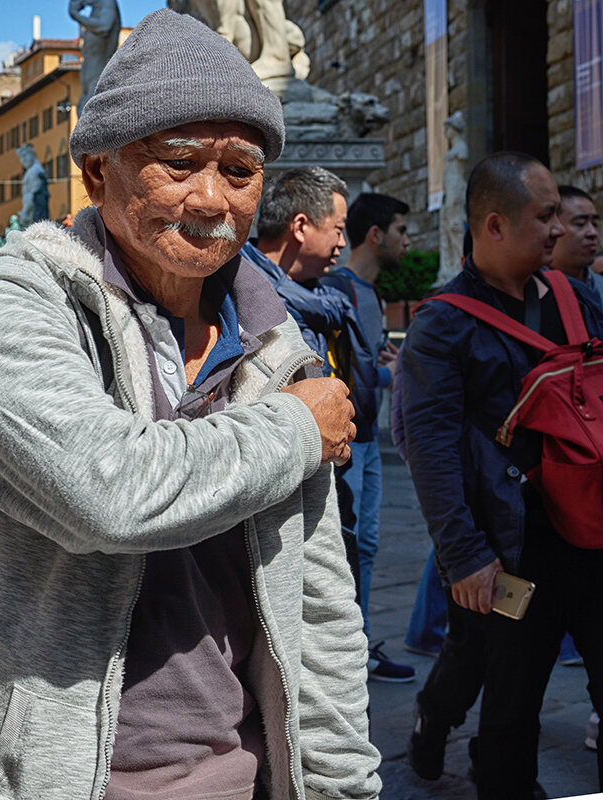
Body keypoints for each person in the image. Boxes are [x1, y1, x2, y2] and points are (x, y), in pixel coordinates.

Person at [0, 10, 378, 798]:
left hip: (240, 775)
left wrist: (342, 783)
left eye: (240, 171)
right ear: (97, 173)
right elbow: (109, 490)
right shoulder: (13, 303)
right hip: (52, 776)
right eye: (178, 163)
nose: (212, 198)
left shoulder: (281, 351)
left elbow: (321, 602)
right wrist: (296, 427)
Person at [402, 151, 603, 797]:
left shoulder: (578, 297)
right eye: (545, 216)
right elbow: (427, 446)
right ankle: (443, 732)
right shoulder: (443, 324)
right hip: (513, 551)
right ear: (494, 225)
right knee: (510, 704)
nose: (559, 228)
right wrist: (463, 557)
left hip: (594, 530)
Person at [242, 168, 413, 683]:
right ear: (300, 226)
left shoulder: (316, 295)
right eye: (336, 228)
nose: (343, 240)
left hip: (332, 460)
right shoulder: (251, 294)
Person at [318, 192, 415, 682]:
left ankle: (361, 638)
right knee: (350, 543)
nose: (407, 240)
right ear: (375, 235)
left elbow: (370, 365)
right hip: (347, 441)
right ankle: (347, 648)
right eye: (401, 230)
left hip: (369, 440)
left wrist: (391, 373)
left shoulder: (371, 295)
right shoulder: (337, 290)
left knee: (368, 543)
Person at [549, 185, 603, 308]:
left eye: (594, 224)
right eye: (580, 224)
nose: (593, 233)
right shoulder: (533, 291)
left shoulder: (599, 286)